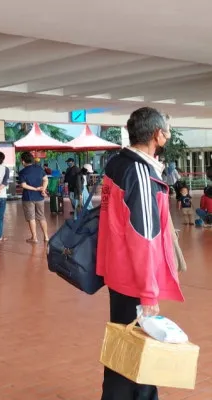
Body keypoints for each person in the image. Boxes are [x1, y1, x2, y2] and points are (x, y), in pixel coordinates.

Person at [97, 107, 184, 399]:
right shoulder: (138, 171)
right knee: (137, 351)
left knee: (128, 347)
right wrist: (148, 294)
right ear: (158, 135)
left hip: (119, 271)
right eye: (167, 131)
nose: (168, 136)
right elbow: (143, 236)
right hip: (135, 278)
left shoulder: (118, 164)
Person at [18, 152, 49, 244]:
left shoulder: (22, 172)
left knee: (31, 218)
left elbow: (23, 185)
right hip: (40, 197)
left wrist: (35, 189)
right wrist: (43, 189)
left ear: (23, 161)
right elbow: (46, 180)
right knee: (41, 217)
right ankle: (46, 236)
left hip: (28, 198)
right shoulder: (39, 168)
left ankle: (34, 237)